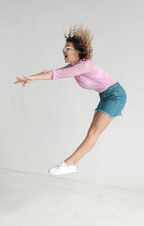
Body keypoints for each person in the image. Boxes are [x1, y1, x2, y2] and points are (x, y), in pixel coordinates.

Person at [14, 25, 127, 176]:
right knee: (91, 133)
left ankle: (68, 164)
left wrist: (34, 78)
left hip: (116, 95)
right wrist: (31, 77)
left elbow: (57, 75)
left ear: (77, 51)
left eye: (68, 47)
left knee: (93, 133)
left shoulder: (84, 66)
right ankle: (72, 165)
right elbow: (53, 72)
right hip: (106, 96)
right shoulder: (75, 66)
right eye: (64, 47)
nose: (64, 50)